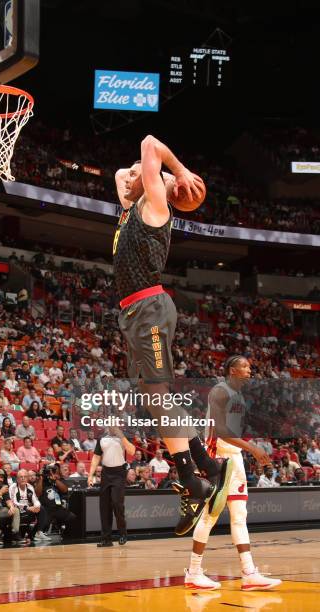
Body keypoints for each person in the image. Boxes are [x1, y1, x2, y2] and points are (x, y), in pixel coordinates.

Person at [113, 136, 231, 536]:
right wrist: (140, 174)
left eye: (139, 172)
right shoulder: (131, 210)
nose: (131, 173)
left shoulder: (155, 208)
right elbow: (119, 174)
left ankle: (206, 471)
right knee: (152, 404)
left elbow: (147, 142)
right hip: (133, 314)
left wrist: (175, 173)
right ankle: (198, 475)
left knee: (159, 400)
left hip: (150, 310)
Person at [186, 355, 281, 591]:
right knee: (210, 516)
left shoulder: (239, 396)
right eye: (245, 366)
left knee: (240, 515)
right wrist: (253, 448)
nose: (250, 369)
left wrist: (246, 451)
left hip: (234, 458)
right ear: (232, 369)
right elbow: (221, 431)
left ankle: (248, 573)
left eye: (250, 365)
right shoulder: (220, 391)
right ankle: (193, 572)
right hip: (217, 459)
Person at [88, 427, 135, 547]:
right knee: (104, 506)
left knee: (117, 503)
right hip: (106, 473)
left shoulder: (123, 437)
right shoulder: (102, 438)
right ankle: (106, 539)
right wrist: (90, 475)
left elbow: (132, 451)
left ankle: (123, 534)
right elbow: (96, 457)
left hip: (119, 473)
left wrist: (121, 435)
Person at [9, 469, 50, 542]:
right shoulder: (13, 487)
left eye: (25, 477)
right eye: (21, 477)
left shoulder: (30, 487)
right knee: (17, 510)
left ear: (27, 478)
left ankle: (38, 532)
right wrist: (27, 507)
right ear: (17, 479)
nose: (23, 478)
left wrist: (36, 506)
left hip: (28, 510)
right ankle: (22, 534)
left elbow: (35, 499)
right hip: (17, 511)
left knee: (41, 509)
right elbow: (13, 502)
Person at [36, 463, 76, 535]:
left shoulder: (58, 480)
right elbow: (37, 494)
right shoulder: (41, 481)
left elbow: (65, 490)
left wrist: (55, 480)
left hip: (57, 507)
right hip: (46, 509)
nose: (51, 472)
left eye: (53, 470)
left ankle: (64, 532)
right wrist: (41, 478)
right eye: (50, 471)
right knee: (43, 527)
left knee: (72, 517)